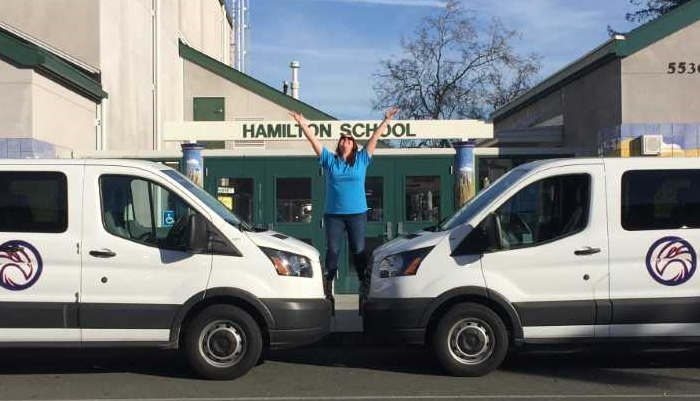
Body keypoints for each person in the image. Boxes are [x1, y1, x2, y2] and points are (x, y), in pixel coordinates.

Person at [289, 108, 399, 297]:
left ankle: (364, 285)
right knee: (333, 249)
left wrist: (386, 120)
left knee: (358, 249)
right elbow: (313, 141)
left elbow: (374, 138)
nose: (345, 141)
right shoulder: (330, 161)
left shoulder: (362, 160)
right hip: (334, 215)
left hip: (357, 214)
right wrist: (302, 123)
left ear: (353, 145)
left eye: (349, 140)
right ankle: (328, 284)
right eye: (343, 139)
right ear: (339, 144)